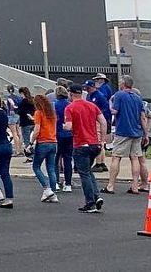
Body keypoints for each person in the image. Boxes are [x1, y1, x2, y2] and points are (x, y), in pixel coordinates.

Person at [64, 84, 106, 213]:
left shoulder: (70, 108)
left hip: (81, 144)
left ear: (71, 94)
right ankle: (96, 196)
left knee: (84, 174)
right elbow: (103, 121)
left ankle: (90, 202)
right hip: (94, 144)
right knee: (88, 171)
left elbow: (69, 126)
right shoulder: (92, 105)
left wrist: (63, 126)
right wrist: (102, 140)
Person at [107, 74, 150, 194]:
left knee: (116, 157)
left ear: (123, 83)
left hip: (123, 131)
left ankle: (110, 185)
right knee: (135, 158)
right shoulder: (137, 98)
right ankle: (135, 185)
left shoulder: (119, 95)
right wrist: (145, 134)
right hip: (136, 132)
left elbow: (114, 111)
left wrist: (110, 103)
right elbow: (142, 117)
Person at [29, 93, 60, 202]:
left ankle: (46, 188)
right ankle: (53, 192)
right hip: (53, 141)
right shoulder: (52, 113)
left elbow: (37, 129)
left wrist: (31, 142)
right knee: (51, 168)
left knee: (36, 167)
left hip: (43, 142)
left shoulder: (38, 113)